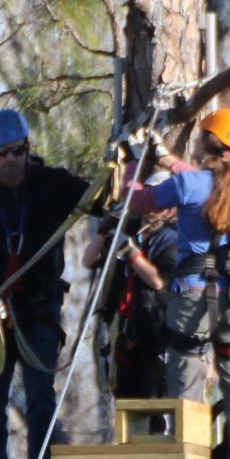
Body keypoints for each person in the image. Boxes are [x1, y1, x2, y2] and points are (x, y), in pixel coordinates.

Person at [0, 110, 91, 459]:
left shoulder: (53, 185)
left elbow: (98, 198)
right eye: (1, 153)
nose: (10, 160)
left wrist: (119, 167)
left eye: (16, 151)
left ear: (27, 148)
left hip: (39, 308)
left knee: (40, 392)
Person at [134, 107, 230, 459]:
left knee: (186, 381)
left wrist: (132, 168)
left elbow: (143, 201)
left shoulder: (187, 186)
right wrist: (169, 160)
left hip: (194, 296)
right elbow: (210, 183)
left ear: (207, 139)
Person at [88, 168, 178, 405]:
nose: (151, 206)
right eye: (148, 197)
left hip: (156, 333)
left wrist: (132, 254)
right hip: (126, 330)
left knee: (156, 407)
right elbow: (88, 260)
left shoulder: (172, 237)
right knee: (126, 407)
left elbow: (158, 281)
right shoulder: (130, 230)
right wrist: (102, 231)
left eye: (158, 200)